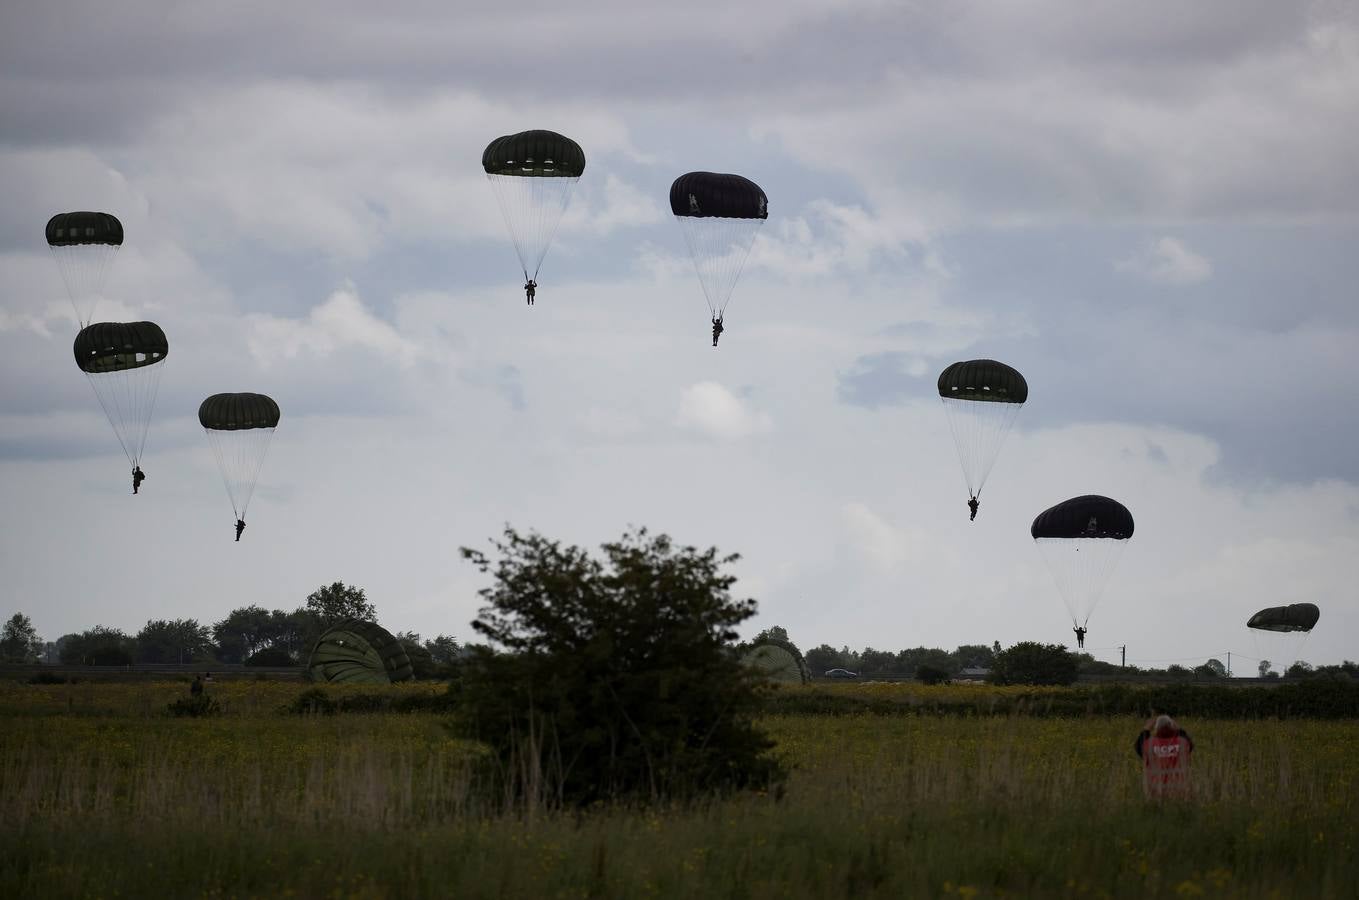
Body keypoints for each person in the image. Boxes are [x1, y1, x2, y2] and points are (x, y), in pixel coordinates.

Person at [1135, 714, 1194, 798]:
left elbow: (1138, 747)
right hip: (1179, 791)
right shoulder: (1182, 743)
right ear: (1172, 727)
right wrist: (1179, 729)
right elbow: (1190, 744)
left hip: (1155, 791)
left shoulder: (1149, 744)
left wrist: (1146, 729)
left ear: (1156, 729)